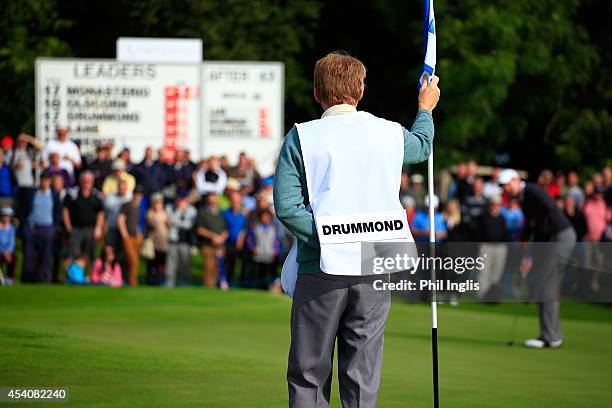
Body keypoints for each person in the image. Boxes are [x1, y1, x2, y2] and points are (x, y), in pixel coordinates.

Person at [274, 52, 439, 407]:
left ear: (317, 92)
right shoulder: (387, 131)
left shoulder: (302, 136)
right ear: (361, 90)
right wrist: (425, 108)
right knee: (361, 375)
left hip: (321, 267)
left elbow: (287, 207)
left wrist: (332, 240)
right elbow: (422, 145)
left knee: (308, 375)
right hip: (374, 264)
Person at [499, 168, 576, 349]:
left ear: (517, 180)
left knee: (547, 286)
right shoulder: (525, 198)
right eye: (503, 187)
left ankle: (551, 337)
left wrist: (535, 250)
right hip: (554, 239)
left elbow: (548, 209)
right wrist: (528, 254)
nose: (506, 189)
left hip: (560, 237)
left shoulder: (532, 191)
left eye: (508, 185)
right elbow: (530, 228)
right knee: (545, 284)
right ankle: (551, 334)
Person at [21, 171, 63, 283]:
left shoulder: (54, 195)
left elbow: (58, 212)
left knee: (45, 257)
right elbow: (24, 210)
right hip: (32, 227)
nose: (45, 182)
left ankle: (44, 280)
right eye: (43, 180)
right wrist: (25, 225)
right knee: (29, 257)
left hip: (47, 228)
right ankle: (28, 280)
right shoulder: (32, 193)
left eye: (47, 180)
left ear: (50, 182)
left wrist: (54, 227)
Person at [63, 171, 105, 270]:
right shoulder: (72, 194)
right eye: (84, 181)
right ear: (80, 181)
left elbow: (101, 213)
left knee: (90, 254)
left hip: (91, 229)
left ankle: (89, 276)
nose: (86, 183)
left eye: (89, 181)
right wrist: (68, 227)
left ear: (92, 182)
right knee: (73, 253)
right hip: (76, 229)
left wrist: (98, 228)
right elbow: (65, 210)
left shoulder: (96, 196)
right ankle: (71, 276)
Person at [475, 195, 508, 301]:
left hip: (500, 247)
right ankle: (481, 295)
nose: (495, 206)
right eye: (493, 204)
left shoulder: (502, 218)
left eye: (497, 204)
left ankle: (493, 295)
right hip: (486, 246)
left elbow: (504, 233)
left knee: (496, 273)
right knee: (483, 271)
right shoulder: (483, 217)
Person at [195, 193, 228, 288]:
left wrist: (221, 238)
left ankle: (216, 286)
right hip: (207, 245)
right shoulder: (203, 213)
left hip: (220, 245)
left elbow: (225, 230)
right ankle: (208, 288)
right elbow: (200, 230)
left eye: (215, 200)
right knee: (208, 268)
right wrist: (213, 236)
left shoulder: (221, 214)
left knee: (217, 268)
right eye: (211, 200)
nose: (213, 202)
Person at [582, 186, 610, 292]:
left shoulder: (605, 205)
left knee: (598, 262)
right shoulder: (588, 203)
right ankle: (586, 283)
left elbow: (608, 219)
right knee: (586, 262)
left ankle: (594, 281)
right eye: (597, 193)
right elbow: (583, 218)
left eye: (600, 193)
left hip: (600, 240)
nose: (598, 195)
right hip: (588, 238)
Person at [8, 133, 42, 222]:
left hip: (29, 184)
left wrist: (28, 138)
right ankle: (19, 226)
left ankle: (26, 225)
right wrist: (15, 166)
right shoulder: (12, 152)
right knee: (18, 207)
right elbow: (8, 165)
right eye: (20, 141)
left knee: (29, 206)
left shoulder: (29, 152)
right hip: (17, 185)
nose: (22, 143)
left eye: (23, 141)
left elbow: (41, 147)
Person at [165, 194, 197, 287]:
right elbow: (170, 220)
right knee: (170, 264)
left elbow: (188, 225)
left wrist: (176, 222)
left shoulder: (192, 210)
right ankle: (169, 282)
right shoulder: (170, 207)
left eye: (183, 200)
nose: (181, 202)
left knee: (185, 264)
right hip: (172, 240)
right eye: (179, 200)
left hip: (185, 241)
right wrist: (179, 211)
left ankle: (184, 282)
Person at [245, 209, 280, 289]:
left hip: (270, 255)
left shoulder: (274, 228)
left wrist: (276, 251)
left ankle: (268, 288)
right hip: (258, 255)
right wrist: (253, 249)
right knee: (258, 273)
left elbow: (276, 241)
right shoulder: (255, 227)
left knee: (270, 273)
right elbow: (249, 240)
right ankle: (257, 288)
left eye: (267, 216)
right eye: (263, 216)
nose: (265, 218)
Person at [118, 185, 145, 286]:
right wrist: (125, 235)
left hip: (136, 237)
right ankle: (133, 281)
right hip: (128, 237)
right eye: (136, 194)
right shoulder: (126, 205)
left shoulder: (138, 207)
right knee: (133, 260)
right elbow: (121, 220)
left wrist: (139, 235)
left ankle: (130, 279)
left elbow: (136, 223)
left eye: (140, 195)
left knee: (134, 260)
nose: (138, 196)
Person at [222, 190, 247, 286]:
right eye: (233, 201)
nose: (235, 203)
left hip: (238, 245)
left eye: (237, 201)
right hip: (227, 244)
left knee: (236, 265)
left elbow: (243, 230)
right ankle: (224, 283)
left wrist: (241, 240)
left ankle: (234, 283)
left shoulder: (243, 215)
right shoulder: (225, 214)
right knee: (226, 264)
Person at [145, 193, 169, 285]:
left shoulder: (164, 213)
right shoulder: (150, 213)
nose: (158, 206)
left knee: (162, 262)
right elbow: (152, 224)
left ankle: (160, 279)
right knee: (152, 262)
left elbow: (168, 224)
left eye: (159, 204)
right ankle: (151, 279)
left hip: (163, 242)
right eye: (156, 204)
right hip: (154, 241)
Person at [103, 179, 132, 250]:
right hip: (112, 227)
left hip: (125, 228)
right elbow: (105, 213)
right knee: (110, 249)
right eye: (120, 187)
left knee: (123, 250)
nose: (122, 189)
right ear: (117, 187)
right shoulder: (110, 198)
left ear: (127, 188)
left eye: (124, 188)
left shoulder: (130, 197)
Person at [0, 207, 16, 285]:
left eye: (9, 216)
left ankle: (10, 278)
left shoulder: (11, 228)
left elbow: (11, 243)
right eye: (5, 216)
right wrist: (3, 252)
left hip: (7, 252)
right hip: (1, 251)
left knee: (13, 257)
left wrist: (8, 252)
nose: (7, 218)